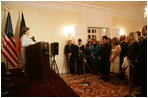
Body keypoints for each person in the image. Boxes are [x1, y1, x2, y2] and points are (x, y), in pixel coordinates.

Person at [138, 25, 147, 97]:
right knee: (143, 79)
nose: (141, 31)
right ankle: (143, 93)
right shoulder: (144, 39)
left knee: (145, 79)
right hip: (143, 61)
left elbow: (144, 51)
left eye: (143, 30)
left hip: (145, 62)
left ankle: (144, 94)